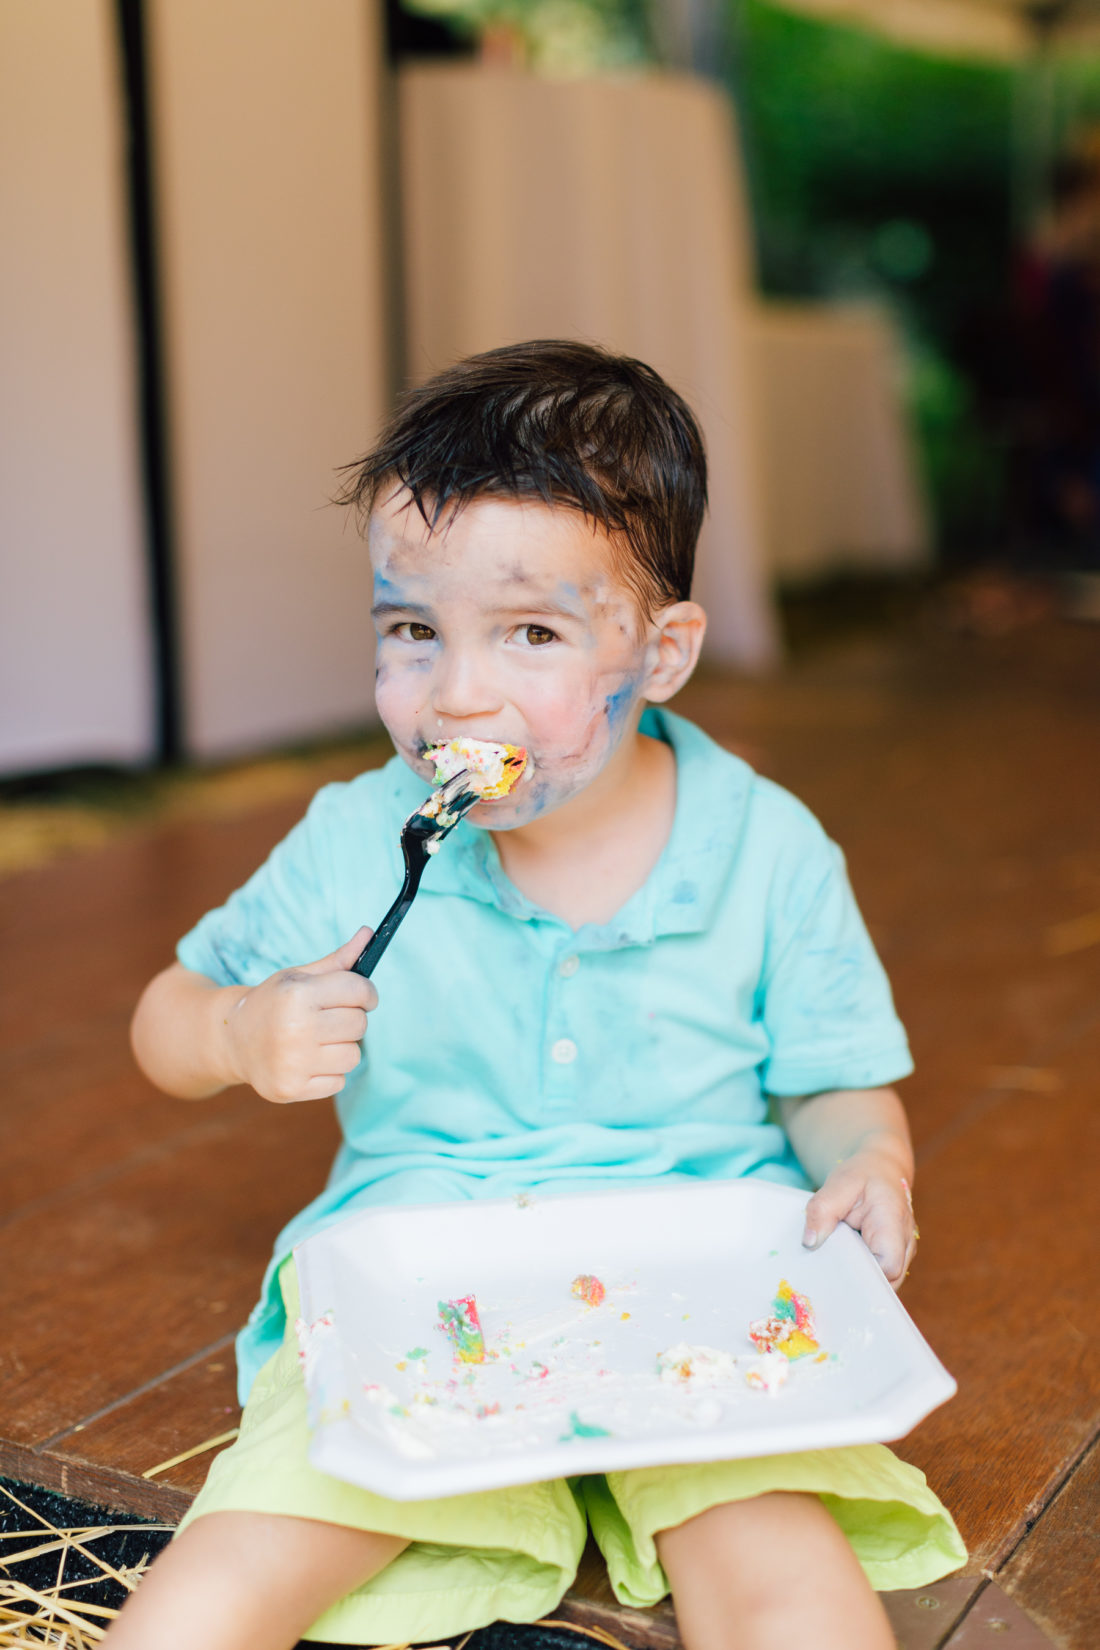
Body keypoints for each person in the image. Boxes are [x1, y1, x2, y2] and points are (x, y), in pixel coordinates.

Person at [108, 342, 965, 1650]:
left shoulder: (767, 848)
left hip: (703, 1287)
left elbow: (834, 1077)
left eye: (531, 633)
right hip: (417, 1283)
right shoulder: (362, 833)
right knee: (224, 1571)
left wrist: (873, 1164)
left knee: (784, 1578)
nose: (457, 691)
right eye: (413, 630)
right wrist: (235, 1028)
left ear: (664, 649)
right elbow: (167, 1015)